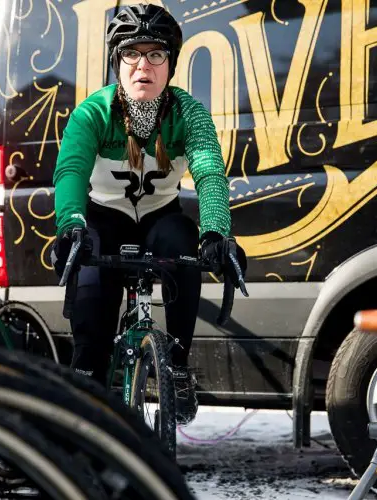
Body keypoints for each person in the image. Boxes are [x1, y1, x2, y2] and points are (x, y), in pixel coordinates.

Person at [50, 4, 246, 426]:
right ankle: (88, 400)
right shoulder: (93, 113)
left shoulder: (188, 113)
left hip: (160, 218)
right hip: (103, 219)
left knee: (183, 238)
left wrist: (217, 230)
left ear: (170, 65)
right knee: (91, 333)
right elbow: (71, 170)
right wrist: (71, 223)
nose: (144, 65)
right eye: (131, 54)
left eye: (155, 54)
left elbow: (210, 171)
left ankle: (176, 365)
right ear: (116, 63)